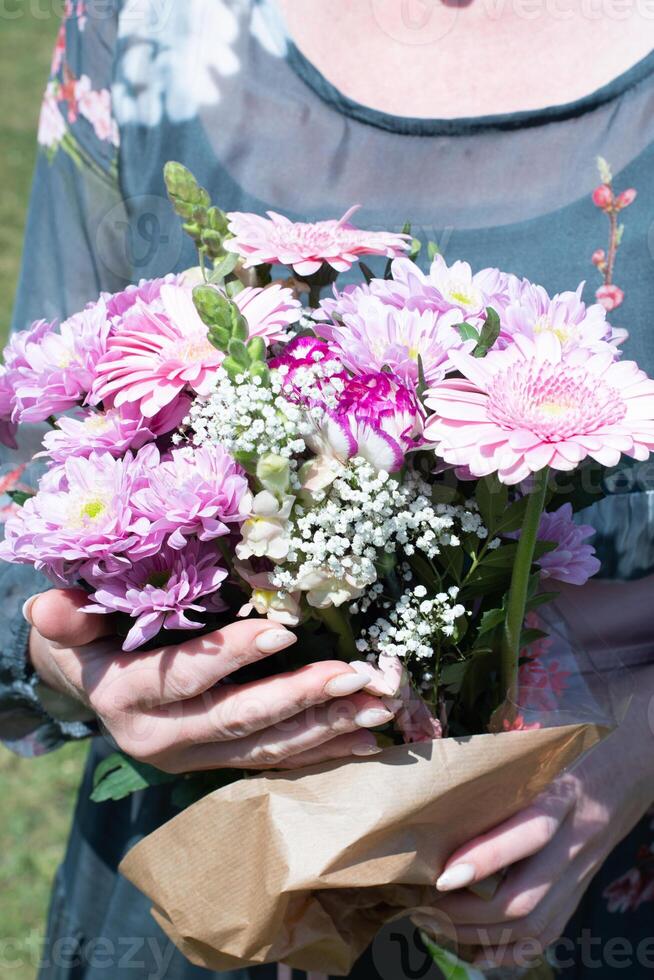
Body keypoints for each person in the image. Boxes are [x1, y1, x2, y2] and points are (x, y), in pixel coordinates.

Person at [2, 1, 654, 976]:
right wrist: (85, 663)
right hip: (209, 907)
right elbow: (31, 462)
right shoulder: (138, 25)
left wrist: (635, 744)